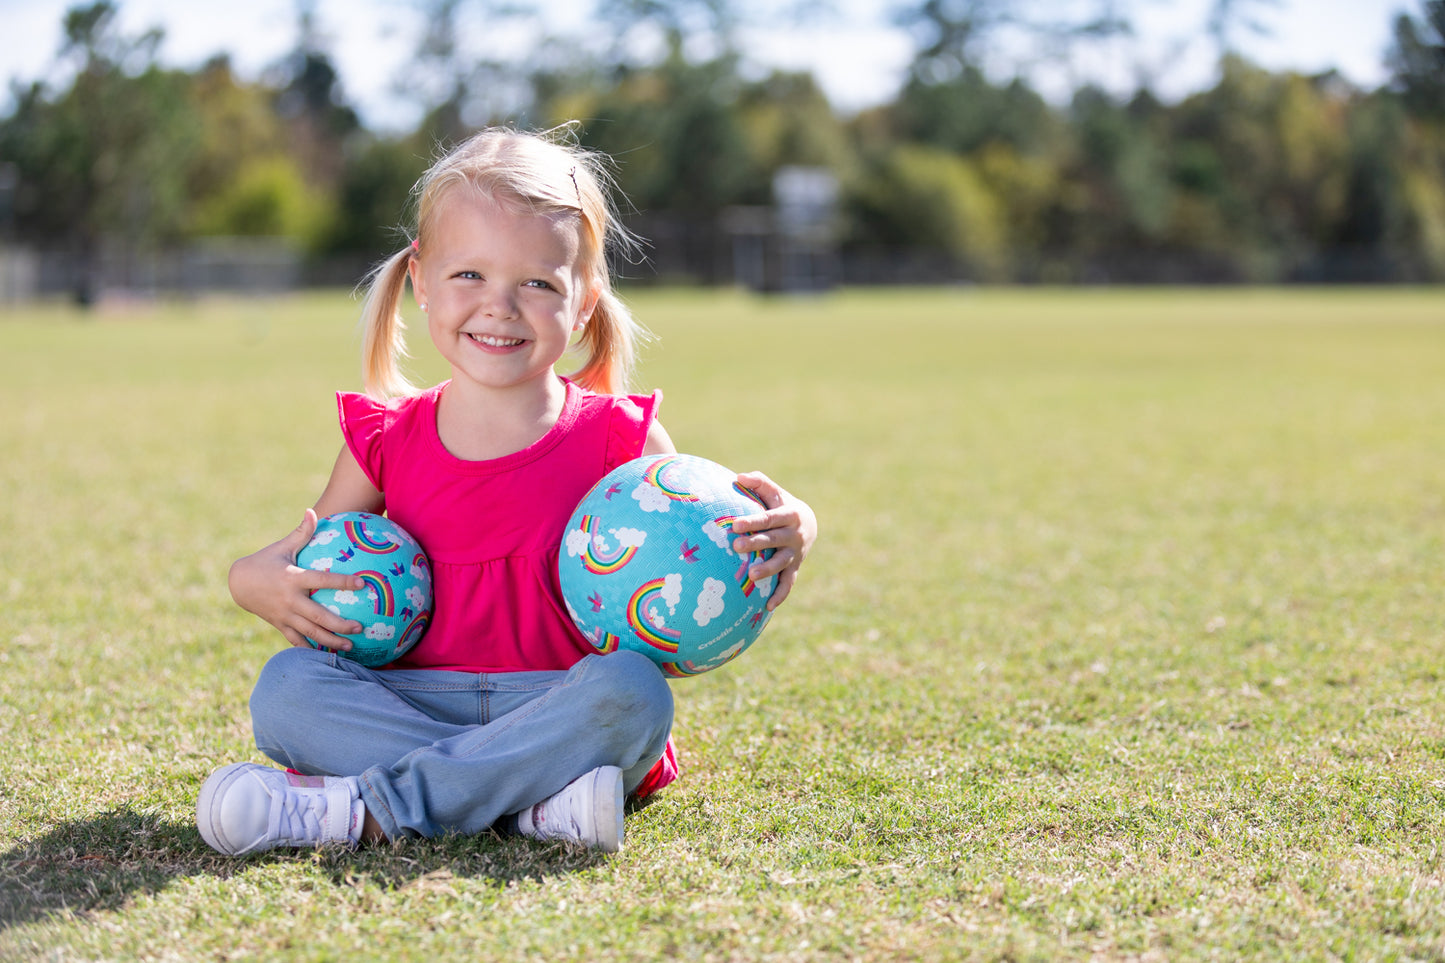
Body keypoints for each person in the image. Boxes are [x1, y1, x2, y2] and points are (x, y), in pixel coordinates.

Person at [195, 127, 817, 856]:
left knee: (634, 693)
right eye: (469, 277)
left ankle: (368, 810)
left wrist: (794, 524)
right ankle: (529, 800)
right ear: (421, 279)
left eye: (537, 283)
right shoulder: (386, 439)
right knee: (286, 689)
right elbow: (306, 564)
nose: (500, 306)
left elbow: (706, 541)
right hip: (413, 700)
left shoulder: (620, 437)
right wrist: (249, 582)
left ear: (583, 300)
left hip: (558, 703)